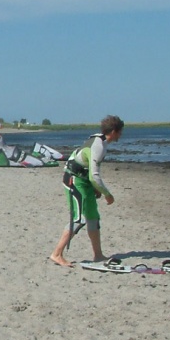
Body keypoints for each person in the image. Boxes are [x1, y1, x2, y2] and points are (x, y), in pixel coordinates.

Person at [49, 115, 124, 268]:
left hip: (84, 182)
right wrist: (107, 194)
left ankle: (98, 255)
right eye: (120, 132)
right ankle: (56, 254)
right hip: (74, 180)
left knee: (93, 217)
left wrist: (95, 190)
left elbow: (90, 169)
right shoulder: (97, 145)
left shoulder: (101, 141)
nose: (121, 135)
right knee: (79, 219)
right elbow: (94, 175)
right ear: (115, 131)